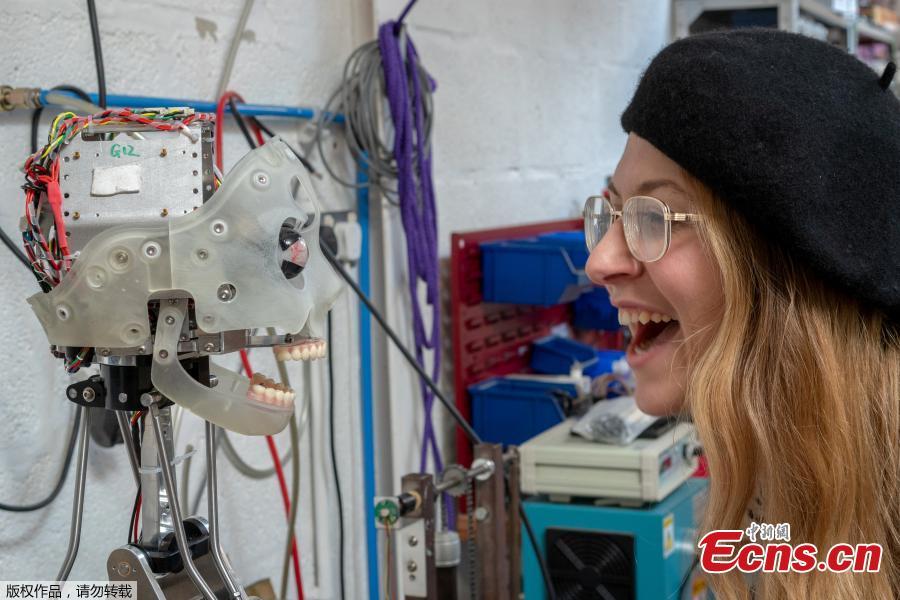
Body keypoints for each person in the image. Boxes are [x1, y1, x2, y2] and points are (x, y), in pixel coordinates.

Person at [584, 28, 900, 599]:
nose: (600, 262)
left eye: (654, 217)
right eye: (613, 212)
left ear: (792, 271)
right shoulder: (781, 488)